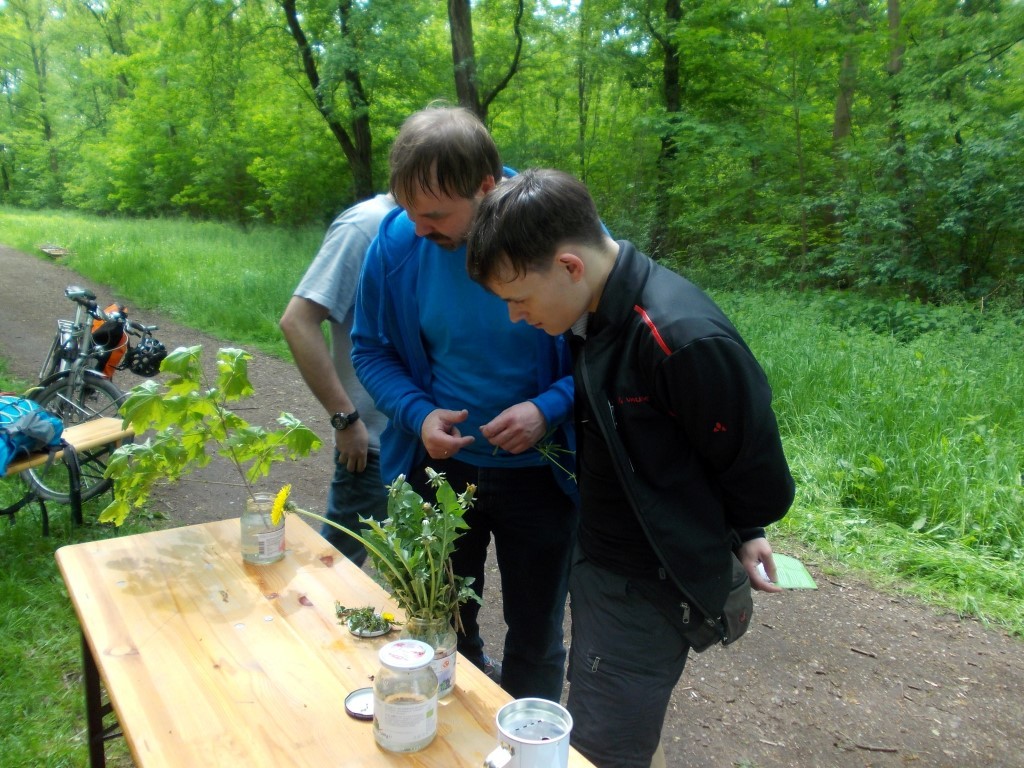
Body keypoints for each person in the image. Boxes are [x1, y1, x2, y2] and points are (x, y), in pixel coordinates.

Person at [466, 168, 795, 768]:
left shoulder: (677, 337)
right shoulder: (593, 311)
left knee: (602, 746)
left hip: (645, 584)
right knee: (623, 727)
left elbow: (757, 472)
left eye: (518, 300)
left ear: (569, 266)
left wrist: (746, 526)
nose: (516, 317)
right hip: (602, 554)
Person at [351, 107, 578, 700]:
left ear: (487, 186)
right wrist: (418, 413)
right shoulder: (399, 243)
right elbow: (370, 349)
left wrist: (547, 408)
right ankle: (453, 725)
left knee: (537, 632)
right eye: (408, 211)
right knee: (441, 623)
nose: (419, 229)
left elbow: (608, 350)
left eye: (434, 215)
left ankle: (529, 740)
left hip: (543, 476)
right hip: (439, 472)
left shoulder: (551, 226)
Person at [279, 193, 396, 566]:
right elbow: (298, 322)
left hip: (426, 435)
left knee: (421, 576)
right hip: (374, 443)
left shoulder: (439, 226)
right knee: (339, 568)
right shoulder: (364, 227)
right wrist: (345, 417)